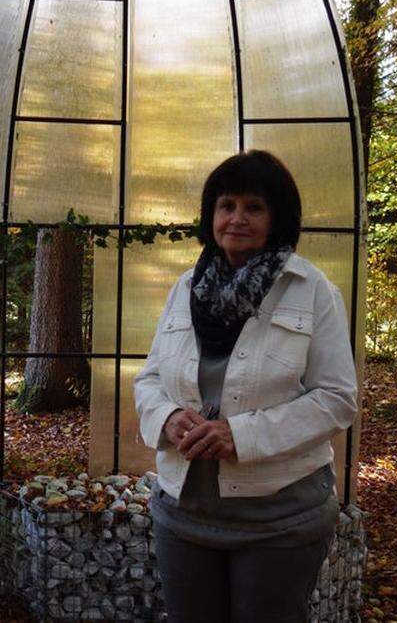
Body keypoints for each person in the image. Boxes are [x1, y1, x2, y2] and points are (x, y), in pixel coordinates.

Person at [133, 151, 358, 622]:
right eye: (226, 205)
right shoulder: (185, 288)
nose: (237, 218)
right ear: (210, 215)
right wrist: (168, 417)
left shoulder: (313, 291)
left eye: (253, 207)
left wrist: (242, 435)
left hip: (280, 520)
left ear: (276, 218)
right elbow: (150, 378)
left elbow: (337, 399)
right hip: (184, 512)